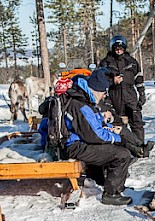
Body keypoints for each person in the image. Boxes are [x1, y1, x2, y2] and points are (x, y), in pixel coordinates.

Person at [56, 68, 134, 206]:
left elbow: (91, 127)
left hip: (75, 143)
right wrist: (117, 138)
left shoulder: (82, 99)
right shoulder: (80, 104)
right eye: (104, 92)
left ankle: (101, 181)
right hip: (74, 146)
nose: (104, 96)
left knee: (110, 147)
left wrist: (107, 127)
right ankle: (112, 193)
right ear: (96, 90)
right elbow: (94, 136)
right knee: (122, 154)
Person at [98, 35, 146, 144]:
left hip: (130, 95)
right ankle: (123, 145)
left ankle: (140, 146)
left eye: (121, 48)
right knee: (118, 123)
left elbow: (138, 78)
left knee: (136, 121)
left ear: (124, 48)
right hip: (114, 95)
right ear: (113, 48)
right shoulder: (106, 63)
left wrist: (142, 94)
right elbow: (99, 80)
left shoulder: (131, 62)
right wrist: (112, 80)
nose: (119, 50)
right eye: (116, 48)